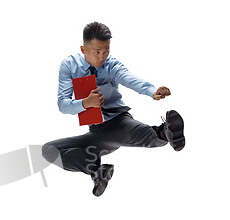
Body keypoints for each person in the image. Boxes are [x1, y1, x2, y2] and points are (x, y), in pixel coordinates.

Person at [42, 22, 185, 196]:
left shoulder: (111, 65)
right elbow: (63, 105)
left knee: (137, 133)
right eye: (97, 52)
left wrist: (152, 92)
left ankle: (167, 133)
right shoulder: (69, 66)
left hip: (118, 122)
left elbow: (129, 78)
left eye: (106, 51)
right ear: (83, 49)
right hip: (96, 133)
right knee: (49, 150)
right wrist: (85, 103)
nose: (102, 57)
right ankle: (97, 172)